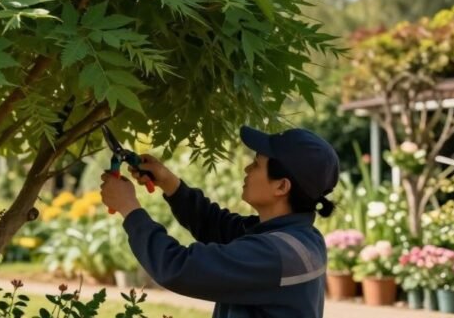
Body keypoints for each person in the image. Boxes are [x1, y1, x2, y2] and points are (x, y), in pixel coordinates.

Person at [100, 125, 340, 318]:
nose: (247, 168)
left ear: (281, 186)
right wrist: (169, 182)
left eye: (256, 164)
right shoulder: (300, 238)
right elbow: (219, 226)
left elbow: (177, 268)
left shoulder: (275, 255)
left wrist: (129, 208)